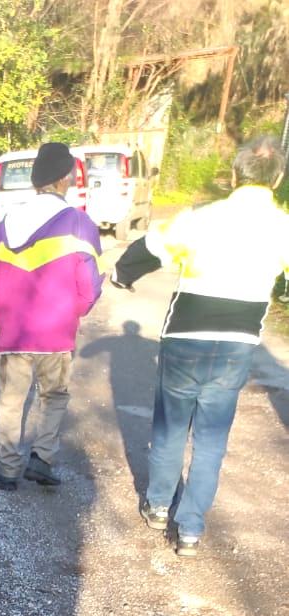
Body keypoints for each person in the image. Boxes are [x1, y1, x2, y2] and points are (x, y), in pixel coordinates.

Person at [111, 134, 289, 556]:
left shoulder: (202, 215)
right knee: (211, 441)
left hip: (184, 341)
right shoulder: (284, 227)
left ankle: (157, 506)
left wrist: (122, 275)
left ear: (233, 174)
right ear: (278, 178)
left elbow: (149, 248)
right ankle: (190, 529)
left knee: (171, 428)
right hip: (237, 346)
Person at [0, 142, 104, 490]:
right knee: (54, 397)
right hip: (56, 330)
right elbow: (89, 285)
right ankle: (42, 459)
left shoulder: (8, 220)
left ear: (35, 180)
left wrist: (0, 316)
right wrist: (72, 313)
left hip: (14, 331)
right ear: (65, 178)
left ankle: (7, 471)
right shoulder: (79, 223)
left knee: (11, 400)